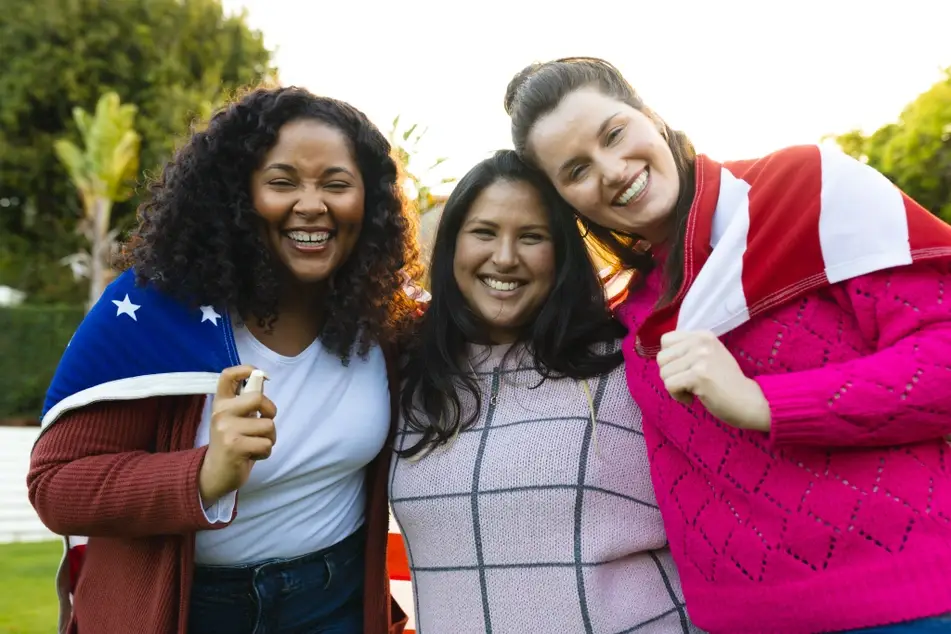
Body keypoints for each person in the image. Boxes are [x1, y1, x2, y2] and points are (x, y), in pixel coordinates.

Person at [502, 57, 951, 633]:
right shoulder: (631, 312)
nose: (612, 171)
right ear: (566, 201)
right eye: (576, 171)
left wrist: (764, 401)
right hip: (735, 620)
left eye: (614, 134)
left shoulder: (802, 189)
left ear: (652, 117)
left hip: (909, 604)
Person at [28, 86, 417, 634]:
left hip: (335, 603)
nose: (312, 204)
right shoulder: (153, 312)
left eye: (336, 184)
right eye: (282, 182)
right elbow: (55, 485)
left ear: (368, 203)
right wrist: (204, 474)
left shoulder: (387, 321)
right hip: (188, 611)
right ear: (237, 196)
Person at [390, 150, 700, 634]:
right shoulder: (409, 379)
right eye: (484, 232)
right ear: (451, 245)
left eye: (531, 237)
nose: (505, 257)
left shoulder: (626, 366)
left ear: (562, 254)